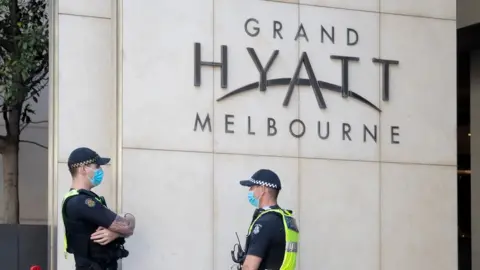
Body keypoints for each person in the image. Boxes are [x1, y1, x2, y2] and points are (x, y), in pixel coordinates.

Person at [61, 147, 136, 270]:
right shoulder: (83, 202)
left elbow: (125, 225)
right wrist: (120, 230)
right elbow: (127, 227)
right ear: (83, 169)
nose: (100, 170)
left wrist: (115, 232)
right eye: (97, 166)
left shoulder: (75, 199)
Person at [236, 169, 299, 270]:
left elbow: (249, 267)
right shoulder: (286, 220)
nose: (250, 191)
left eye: (252, 187)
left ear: (262, 189)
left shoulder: (265, 223)